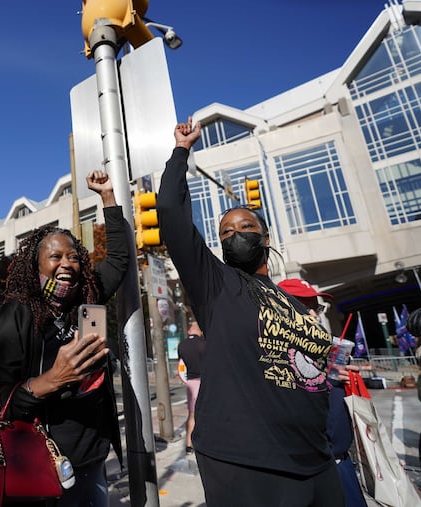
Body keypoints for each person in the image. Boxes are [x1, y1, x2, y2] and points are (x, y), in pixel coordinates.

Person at [158, 119, 344, 506]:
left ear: (265, 236)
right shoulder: (218, 284)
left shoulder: (293, 302)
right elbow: (172, 215)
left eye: (245, 226)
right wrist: (181, 152)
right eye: (225, 232)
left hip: (315, 459)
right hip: (249, 463)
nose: (235, 233)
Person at [0, 169, 130, 506]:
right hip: (37, 460)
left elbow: (119, 258)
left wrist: (107, 197)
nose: (67, 263)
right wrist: (51, 380)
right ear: (37, 267)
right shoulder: (16, 314)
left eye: (74, 256)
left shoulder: (87, 299)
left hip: (91, 458)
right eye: (56, 256)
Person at [278, 278, 368, 507]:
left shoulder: (324, 350)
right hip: (307, 470)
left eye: (316, 307)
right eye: (305, 307)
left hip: (340, 462)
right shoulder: (274, 357)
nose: (315, 315)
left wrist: (346, 380)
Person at [177, 318, 205, 455]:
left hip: (190, 382)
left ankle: (189, 444)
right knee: (206, 413)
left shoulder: (182, 345)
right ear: (199, 330)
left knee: (192, 414)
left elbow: (180, 366)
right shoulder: (204, 344)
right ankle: (205, 441)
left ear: (189, 331)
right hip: (204, 381)